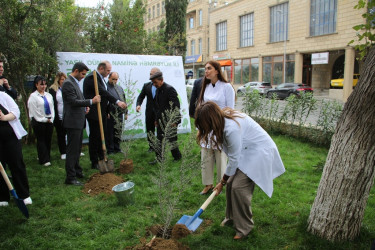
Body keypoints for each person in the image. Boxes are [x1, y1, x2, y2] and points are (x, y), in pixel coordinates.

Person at [195, 101, 285, 240]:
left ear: (210, 120)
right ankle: (231, 218)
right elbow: (233, 156)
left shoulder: (231, 129)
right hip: (247, 151)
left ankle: (244, 228)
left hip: (260, 152)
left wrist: (222, 181)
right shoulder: (221, 120)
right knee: (231, 184)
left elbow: (234, 159)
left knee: (238, 187)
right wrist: (226, 181)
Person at [196, 60, 235, 195]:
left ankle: (221, 184)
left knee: (220, 156)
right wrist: (200, 127)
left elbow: (231, 109)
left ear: (217, 71)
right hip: (206, 128)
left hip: (220, 126)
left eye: (209, 68)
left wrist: (223, 126)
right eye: (205, 69)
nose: (206, 71)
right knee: (206, 156)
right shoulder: (205, 86)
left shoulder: (226, 87)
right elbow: (201, 107)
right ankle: (207, 184)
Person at [62, 62, 101, 186]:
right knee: (72, 150)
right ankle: (70, 177)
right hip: (72, 122)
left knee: (77, 149)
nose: (83, 76)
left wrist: (85, 108)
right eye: (83, 74)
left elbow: (77, 101)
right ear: (77, 71)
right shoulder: (68, 83)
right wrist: (91, 101)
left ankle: (77, 171)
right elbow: (73, 101)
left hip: (78, 120)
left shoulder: (74, 82)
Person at [83, 61, 127, 170]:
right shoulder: (92, 78)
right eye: (107, 70)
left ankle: (101, 158)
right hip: (94, 113)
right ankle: (94, 161)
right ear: (101, 68)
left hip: (102, 112)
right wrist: (117, 101)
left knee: (100, 136)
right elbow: (102, 92)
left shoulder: (100, 78)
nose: (109, 73)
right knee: (95, 137)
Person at [0, 92, 31, 206]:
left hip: (10, 137)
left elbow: (16, 111)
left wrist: (4, 117)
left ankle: (24, 194)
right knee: (0, 167)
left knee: (17, 163)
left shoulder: (3, 96)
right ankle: (3, 196)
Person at [150, 71, 182, 164]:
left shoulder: (170, 89)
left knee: (172, 140)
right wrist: (156, 119)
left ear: (161, 80)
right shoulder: (157, 90)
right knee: (159, 140)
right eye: (153, 83)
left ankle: (177, 157)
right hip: (161, 120)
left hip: (170, 120)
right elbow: (158, 107)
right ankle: (159, 159)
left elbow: (176, 106)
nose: (154, 84)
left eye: (155, 82)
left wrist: (175, 120)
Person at [28, 76, 54, 166]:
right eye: (41, 84)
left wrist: (51, 118)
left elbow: (52, 108)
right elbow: (34, 111)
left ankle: (46, 156)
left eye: (45, 84)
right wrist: (44, 119)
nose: (43, 86)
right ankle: (44, 160)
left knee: (48, 139)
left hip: (49, 120)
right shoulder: (33, 97)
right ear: (36, 85)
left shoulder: (48, 95)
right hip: (39, 121)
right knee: (41, 139)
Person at [136, 67, 159, 152]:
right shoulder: (146, 85)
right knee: (150, 129)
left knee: (161, 130)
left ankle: (160, 147)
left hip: (159, 112)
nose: (150, 75)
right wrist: (138, 105)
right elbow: (141, 96)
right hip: (149, 111)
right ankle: (152, 147)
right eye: (150, 74)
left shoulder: (162, 85)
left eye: (152, 74)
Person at [106, 72, 127, 154]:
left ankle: (117, 148)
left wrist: (126, 112)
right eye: (113, 79)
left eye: (116, 79)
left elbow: (123, 100)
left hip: (119, 113)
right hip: (110, 113)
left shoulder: (120, 88)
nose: (114, 81)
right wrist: (106, 111)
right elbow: (104, 101)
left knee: (118, 131)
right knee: (110, 132)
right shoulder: (105, 88)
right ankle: (110, 149)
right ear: (109, 78)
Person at [49, 72, 68, 160]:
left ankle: (73, 150)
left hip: (68, 115)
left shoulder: (67, 88)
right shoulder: (53, 89)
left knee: (71, 134)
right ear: (58, 80)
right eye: (62, 79)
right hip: (59, 116)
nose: (63, 81)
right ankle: (63, 152)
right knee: (61, 134)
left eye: (65, 79)